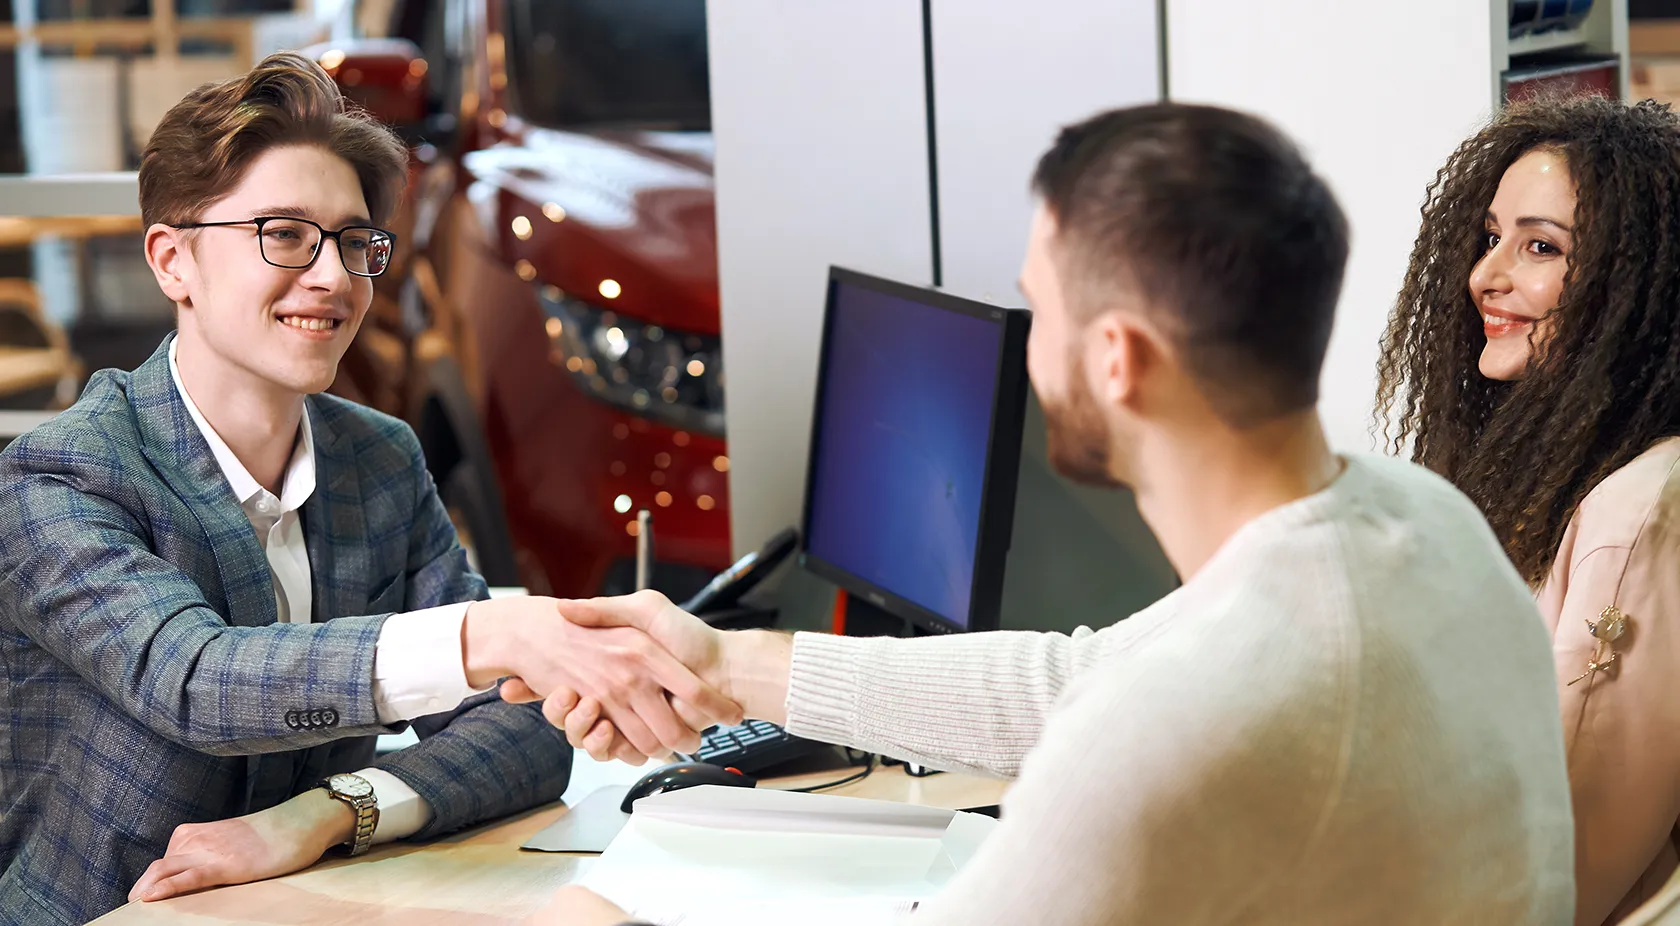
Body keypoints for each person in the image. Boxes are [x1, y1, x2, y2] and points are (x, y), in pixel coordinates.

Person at [529, 103, 1576, 925]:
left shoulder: (1190, 718)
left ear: (1116, 358)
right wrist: (721, 666)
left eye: (1042, 307)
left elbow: (1126, 717)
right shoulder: (1423, 521)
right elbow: (1077, 679)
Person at [0, 54, 734, 926]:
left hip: (321, 899)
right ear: (173, 261)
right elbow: (196, 678)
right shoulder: (60, 474)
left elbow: (521, 732)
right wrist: (492, 630)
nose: (332, 277)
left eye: (353, 241)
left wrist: (322, 817)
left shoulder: (379, 459)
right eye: (283, 234)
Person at [1376, 94, 1680, 926]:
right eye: (1490, 238)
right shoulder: (1553, 468)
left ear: (1640, 288)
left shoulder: (1638, 516)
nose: (1485, 276)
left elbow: (1555, 878)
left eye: (1539, 246)